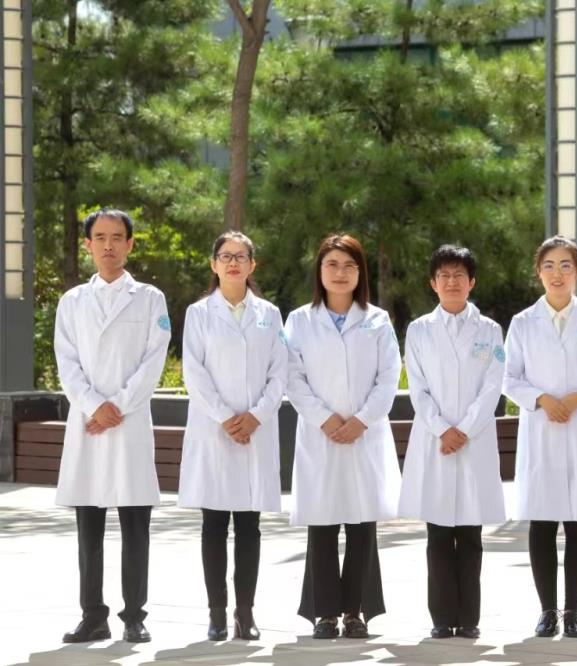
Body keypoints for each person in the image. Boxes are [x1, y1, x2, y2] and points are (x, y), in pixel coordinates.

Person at [55, 208, 170, 643]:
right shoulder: (72, 302)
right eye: (100, 237)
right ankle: (93, 615)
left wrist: (116, 407)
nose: (108, 245)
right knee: (89, 528)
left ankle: (134, 616)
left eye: (117, 237)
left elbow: (153, 361)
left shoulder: (150, 299)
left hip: (129, 422)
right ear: (88, 245)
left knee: (135, 525)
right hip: (87, 424)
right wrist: (93, 406)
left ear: (130, 244)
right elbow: (67, 362)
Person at [284, 233, 402, 639]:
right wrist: (325, 419)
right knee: (322, 524)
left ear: (360, 273)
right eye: (332, 264)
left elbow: (389, 377)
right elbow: (292, 377)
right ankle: (324, 614)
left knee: (361, 524)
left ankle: (356, 612)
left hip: (364, 435)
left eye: (349, 265)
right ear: (319, 271)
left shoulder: (377, 320)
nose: (340, 273)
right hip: (321, 435)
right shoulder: (300, 321)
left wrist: (362, 420)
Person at [503, 235, 577, 639]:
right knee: (543, 523)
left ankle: (573, 612)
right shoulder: (522, 323)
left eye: (566, 265)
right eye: (549, 265)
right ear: (539, 272)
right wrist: (541, 399)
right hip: (541, 431)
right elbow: (509, 378)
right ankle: (547, 611)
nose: (557, 274)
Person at [178, 231, 287, 641]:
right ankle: (216, 614)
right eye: (225, 256)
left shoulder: (269, 314)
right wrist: (226, 418)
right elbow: (194, 372)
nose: (233, 263)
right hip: (214, 431)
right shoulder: (199, 313)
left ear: (252, 265)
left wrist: (256, 416)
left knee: (249, 526)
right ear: (214, 264)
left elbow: (280, 371)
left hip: (255, 431)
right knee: (213, 524)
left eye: (241, 257)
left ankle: (245, 613)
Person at [398, 244, 506, 640]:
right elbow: (418, 388)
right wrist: (443, 429)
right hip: (436, 440)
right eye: (443, 275)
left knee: (471, 536)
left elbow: (493, 385)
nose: (451, 282)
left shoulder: (490, 331)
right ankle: (442, 618)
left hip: (474, 442)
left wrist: (465, 429)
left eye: (459, 275)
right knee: (439, 534)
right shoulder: (419, 330)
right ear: (433, 283)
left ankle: (470, 619)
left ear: (471, 282)